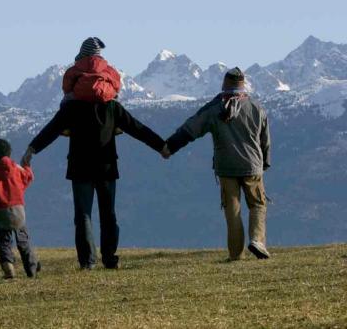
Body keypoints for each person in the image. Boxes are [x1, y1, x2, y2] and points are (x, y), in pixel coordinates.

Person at [22, 100, 165, 270]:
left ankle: (87, 261)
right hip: (106, 166)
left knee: (83, 215)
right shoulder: (112, 106)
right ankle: (110, 258)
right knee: (108, 214)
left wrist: (32, 149)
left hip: (79, 166)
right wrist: (161, 146)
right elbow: (136, 128)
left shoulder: (71, 106)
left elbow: (51, 130)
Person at [163, 67, 271, 261]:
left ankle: (236, 255)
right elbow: (265, 140)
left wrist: (169, 147)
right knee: (257, 204)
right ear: (242, 84)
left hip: (226, 167)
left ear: (224, 84)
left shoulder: (214, 109)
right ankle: (257, 241)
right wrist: (265, 162)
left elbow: (191, 128)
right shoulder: (256, 107)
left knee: (232, 210)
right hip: (253, 164)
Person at [0, 139, 40, 279]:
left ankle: (9, 268)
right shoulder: (17, 168)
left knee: (3, 242)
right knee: (23, 240)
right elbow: (28, 177)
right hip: (19, 212)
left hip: (0, 214)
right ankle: (31, 268)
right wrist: (27, 165)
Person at [60, 36, 123, 136]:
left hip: (80, 95)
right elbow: (117, 84)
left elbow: (67, 86)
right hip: (103, 95)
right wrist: (114, 93)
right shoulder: (108, 69)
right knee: (115, 101)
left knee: (64, 102)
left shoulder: (74, 69)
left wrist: (69, 93)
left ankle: (66, 127)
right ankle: (116, 125)